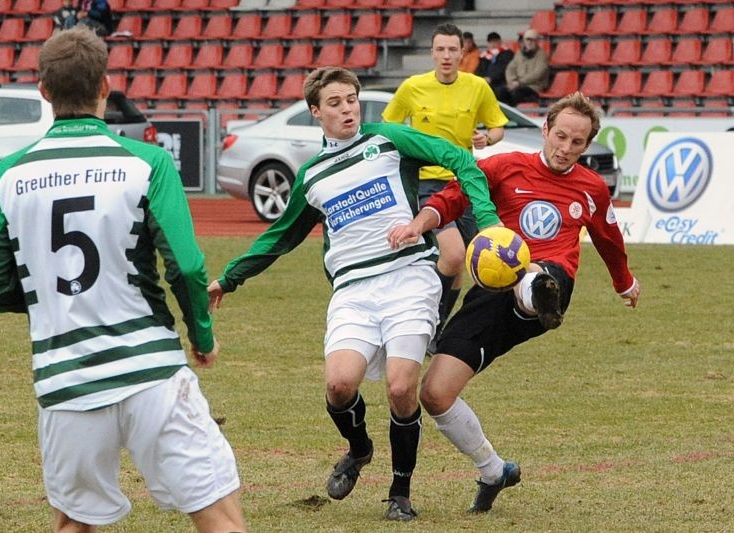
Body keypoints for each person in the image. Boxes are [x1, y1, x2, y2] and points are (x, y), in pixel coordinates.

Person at [0, 26, 246, 533]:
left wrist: (48, 298)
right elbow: (185, 265)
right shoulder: (146, 162)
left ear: (44, 91)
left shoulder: (8, 175)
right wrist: (202, 335)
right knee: (218, 516)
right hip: (151, 372)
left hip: (66, 379)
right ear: (106, 86)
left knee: (75, 522)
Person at [207, 66, 500, 522]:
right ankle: (359, 449)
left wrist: (485, 221)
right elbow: (280, 236)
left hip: (409, 277)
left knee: (403, 387)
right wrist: (230, 277)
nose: (347, 109)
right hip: (353, 290)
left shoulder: (388, 139)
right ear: (315, 112)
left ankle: (400, 492)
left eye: (351, 100)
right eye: (335, 103)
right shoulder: (312, 175)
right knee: (338, 384)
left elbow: (461, 160)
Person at [387, 91, 641, 514]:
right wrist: (419, 224)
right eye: (560, 136)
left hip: (551, 287)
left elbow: (609, 240)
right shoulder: (505, 167)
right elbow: (451, 198)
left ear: (587, 144)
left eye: (577, 143)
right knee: (434, 393)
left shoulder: (592, 188)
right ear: (545, 129)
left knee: (537, 275)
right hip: (491, 289)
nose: (565, 149)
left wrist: (624, 282)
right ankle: (493, 470)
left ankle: (534, 289)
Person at [382, 22, 508, 351]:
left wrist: (486, 138)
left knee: (471, 266)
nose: (447, 56)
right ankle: (428, 326)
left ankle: (439, 332)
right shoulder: (412, 87)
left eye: (453, 49)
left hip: (465, 182)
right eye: (440, 49)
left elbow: (498, 128)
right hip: (427, 183)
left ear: (463, 53)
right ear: (432, 53)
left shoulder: (478, 87)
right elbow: (387, 130)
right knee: (453, 256)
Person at [496, 28, 550, 106]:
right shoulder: (519, 53)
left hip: (533, 87)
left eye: (532, 40)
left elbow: (538, 74)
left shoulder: (542, 55)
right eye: (527, 40)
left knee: (518, 94)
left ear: (537, 42)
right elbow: (510, 68)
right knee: (501, 92)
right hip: (516, 84)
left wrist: (519, 83)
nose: (529, 42)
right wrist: (512, 81)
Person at [476, 31, 514, 95]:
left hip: (500, 83)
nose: (493, 44)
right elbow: (479, 71)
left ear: (500, 42)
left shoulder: (507, 53)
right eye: (490, 42)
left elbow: (505, 69)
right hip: (485, 82)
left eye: (495, 41)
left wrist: (491, 79)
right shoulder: (484, 56)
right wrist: (482, 79)